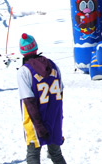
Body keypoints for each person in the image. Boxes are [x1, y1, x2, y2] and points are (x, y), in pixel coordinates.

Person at [17, 33, 67, 164]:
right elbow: (60, 93)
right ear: (36, 48)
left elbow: (28, 101)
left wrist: (38, 126)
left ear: (22, 52)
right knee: (55, 153)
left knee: (33, 154)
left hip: (35, 119)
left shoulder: (24, 71)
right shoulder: (53, 66)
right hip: (54, 116)